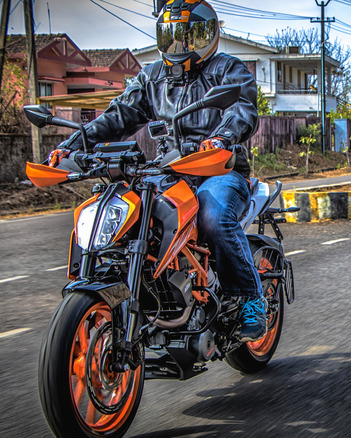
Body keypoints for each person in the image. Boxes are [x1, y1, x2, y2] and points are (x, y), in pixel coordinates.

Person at [46, 0, 267, 342]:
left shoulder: (228, 70)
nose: (181, 44)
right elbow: (118, 116)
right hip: (168, 171)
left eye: (190, 35)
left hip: (219, 170)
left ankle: (250, 301)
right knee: (124, 213)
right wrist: (73, 145)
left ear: (209, 35)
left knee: (213, 216)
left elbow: (242, 109)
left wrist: (222, 138)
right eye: (173, 35)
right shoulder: (151, 77)